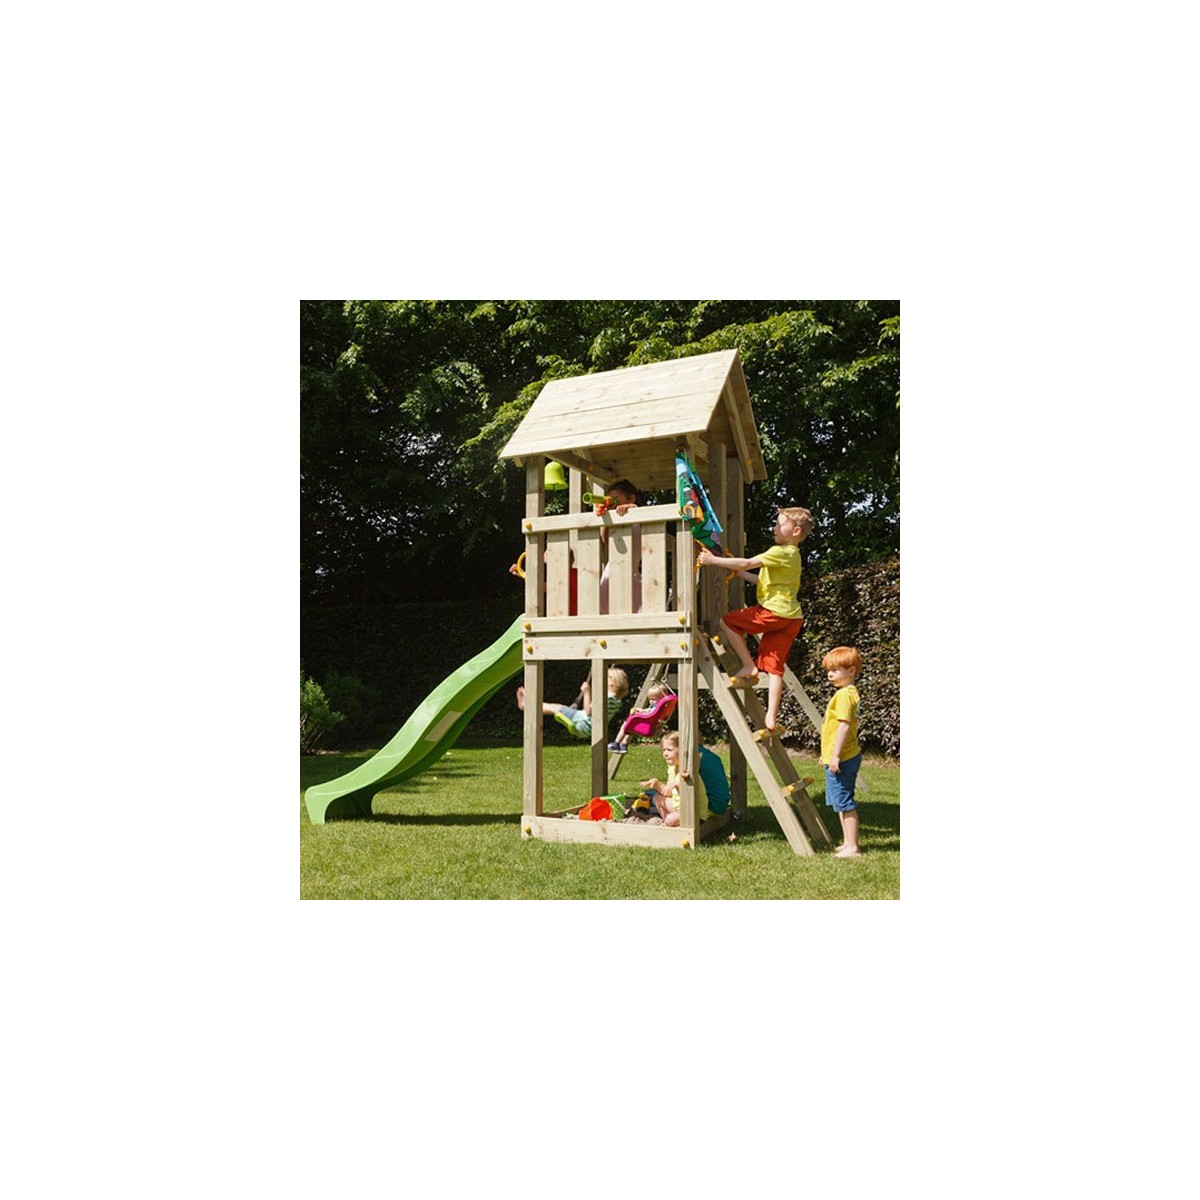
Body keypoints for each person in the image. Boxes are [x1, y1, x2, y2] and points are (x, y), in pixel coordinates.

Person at [697, 506, 813, 731]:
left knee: (727, 622)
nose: (774, 528)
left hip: (774, 613)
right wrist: (741, 575)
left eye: (779, 525)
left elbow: (746, 562)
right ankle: (771, 718)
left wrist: (713, 560)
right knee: (774, 668)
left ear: (796, 531)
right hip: (791, 619)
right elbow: (763, 581)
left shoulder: (780, 551)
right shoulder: (793, 556)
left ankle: (749, 666)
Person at [819, 645, 863, 857]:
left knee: (845, 803)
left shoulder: (845, 695)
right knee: (839, 801)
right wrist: (826, 755)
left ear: (851, 671)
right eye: (829, 670)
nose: (830, 674)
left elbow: (844, 726)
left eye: (835, 670)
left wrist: (835, 756)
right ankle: (847, 843)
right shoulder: (845, 693)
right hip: (838, 756)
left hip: (843, 758)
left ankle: (853, 847)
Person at [639, 731, 730, 827]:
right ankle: (670, 822)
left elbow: (689, 788)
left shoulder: (690, 766)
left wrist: (676, 783)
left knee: (664, 811)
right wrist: (657, 784)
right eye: (664, 750)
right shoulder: (679, 764)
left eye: (669, 750)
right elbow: (670, 792)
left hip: (703, 808)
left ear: (682, 750)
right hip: (716, 804)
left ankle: (672, 821)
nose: (665, 753)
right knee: (657, 798)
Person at [516, 666, 629, 740]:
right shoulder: (617, 701)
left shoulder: (607, 699)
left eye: (605, 678)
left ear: (612, 684)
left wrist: (587, 692)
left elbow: (589, 712)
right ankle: (529, 704)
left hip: (581, 723)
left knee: (555, 708)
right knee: (556, 708)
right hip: (588, 729)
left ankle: (526, 705)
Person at [597, 479, 643, 614]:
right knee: (606, 609)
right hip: (611, 572)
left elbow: (640, 515)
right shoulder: (614, 520)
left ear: (631, 498)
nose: (612, 502)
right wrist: (605, 517)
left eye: (616, 498)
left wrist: (631, 508)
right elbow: (604, 540)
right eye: (610, 499)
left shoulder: (638, 516)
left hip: (632, 572)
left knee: (636, 609)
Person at [606, 681, 675, 754]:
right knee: (631, 727)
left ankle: (616, 743)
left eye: (654, 699)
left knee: (626, 724)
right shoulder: (662, 708)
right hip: (652, 727)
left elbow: (650, 713)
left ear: (662, 698)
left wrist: (640, 712)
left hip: (647, 727)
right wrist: (641, 710)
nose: (651, 701)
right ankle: (624, 745)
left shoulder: (658, 708)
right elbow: (650, 711)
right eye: (650, 699)